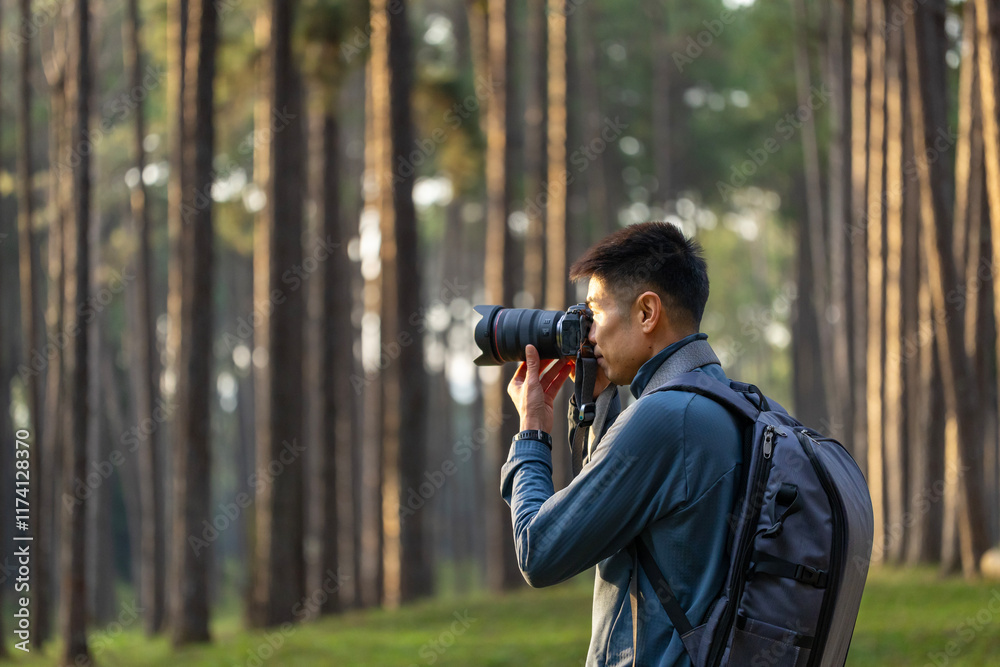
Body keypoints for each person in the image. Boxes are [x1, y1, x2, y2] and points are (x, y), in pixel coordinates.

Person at [500, 221, 742, 667]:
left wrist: (533, 429)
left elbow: (538, 551)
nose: (588, 334)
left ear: (647, 313)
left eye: (596, 311)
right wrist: (599, 407)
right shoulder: (728, 403)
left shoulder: (664, 419)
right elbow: (627, 528)